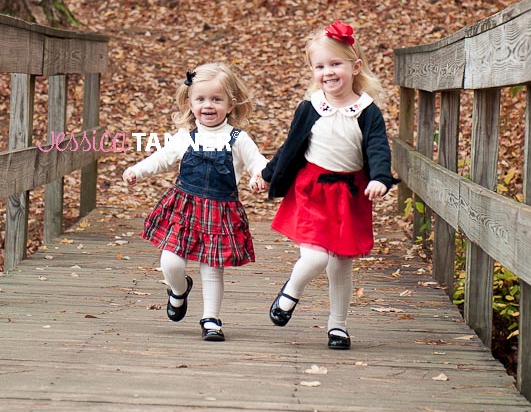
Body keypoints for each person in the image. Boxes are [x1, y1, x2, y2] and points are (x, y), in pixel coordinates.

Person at [252, 19, 396, 350]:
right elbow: (291, 147)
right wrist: (268, 173)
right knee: (316, 257)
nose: (328, 72)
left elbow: (377, 147)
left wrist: (380, 178)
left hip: (349, 195)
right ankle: (290, 292)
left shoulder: (366, 111)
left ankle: (338, 326)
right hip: (312, 190)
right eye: (320, 66)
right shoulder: (312, 107)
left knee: (340, 265)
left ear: (355, 67)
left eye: (336, 64)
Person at [124, 62, 268, 342]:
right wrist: (138, 171)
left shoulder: (238, 139)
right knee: (171, 263)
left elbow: (257, 162)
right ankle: (178, 290)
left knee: (212, 268)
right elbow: (162, 158)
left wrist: (258, 176)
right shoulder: (185, 137)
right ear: (190, 102)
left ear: (230, 104)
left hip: (220, 212)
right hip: (184, 208)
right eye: (201, 99)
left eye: (217, 99)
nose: (208, 106)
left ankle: (211, 319)